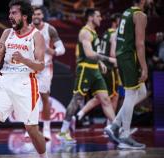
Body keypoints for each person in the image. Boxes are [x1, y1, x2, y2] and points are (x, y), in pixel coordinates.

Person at [0, 0, 47, 158]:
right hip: (5, 80)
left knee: (31, 129)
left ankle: (44, 156)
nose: (10, 16)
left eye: (14, 13)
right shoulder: (7, 33)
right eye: (9, 13)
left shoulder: (36, 36)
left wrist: (24, 59)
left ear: (24, 16)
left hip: (26, 83)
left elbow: (41, 66)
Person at [57, 8, 117, 142]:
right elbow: (89, 54)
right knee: (77, 99)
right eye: (98, 16)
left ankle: (117, 129)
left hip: (94, 69)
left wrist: (100, 62)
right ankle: (63, 132)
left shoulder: (94, 32)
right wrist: (108, 59)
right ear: (90, 17)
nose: (101, 18)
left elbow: (93, 53)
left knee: (106, 99)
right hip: (85, 69)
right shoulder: (85, 32)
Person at [104, 0, 149, 150]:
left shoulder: (126, 12)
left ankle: (115, 125)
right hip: (130, 57)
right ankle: (124, 136)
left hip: (122, 56)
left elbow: (116, 37)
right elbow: (140, 44)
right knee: (131, 94)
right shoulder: (140, 15)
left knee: (141, 92)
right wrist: (144, 67)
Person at [76, 13, 121, 123]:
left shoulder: (105, 33)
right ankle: (111, 125)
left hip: (102, 66)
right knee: (113, 96)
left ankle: (79, 115)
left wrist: (100, 61)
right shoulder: (114, 34)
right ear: (116, 21)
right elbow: (113, 54)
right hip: (108, 68)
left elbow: (97, 51)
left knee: (103, 97)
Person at [30, 6, 65, 140]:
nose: (36, 16)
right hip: (31, 67)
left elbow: (61, 48)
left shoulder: (50, 29)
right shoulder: (27, 29)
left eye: (38, 14)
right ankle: (31, 129)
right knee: (29, 98)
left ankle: (46, 129)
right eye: (34, 14)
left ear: (42, 16)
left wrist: (52, 51)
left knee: (44, 97)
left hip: (45, 68)